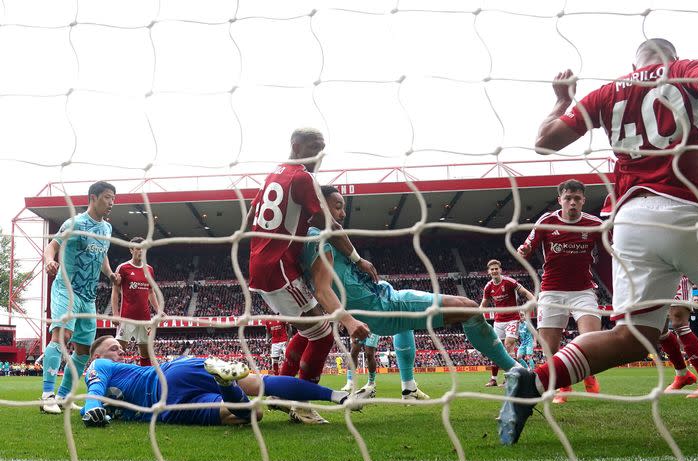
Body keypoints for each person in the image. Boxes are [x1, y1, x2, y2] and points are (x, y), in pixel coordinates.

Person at [499, 38, 698, 443]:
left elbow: (545, 141)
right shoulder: (683, 69)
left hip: (629, 221)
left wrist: (561, 100)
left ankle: (534, 382)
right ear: (671, 56)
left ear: (633, 62)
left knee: (634, 337)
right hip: (686, 211)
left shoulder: (608, 91)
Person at [302, 186, 517, 400]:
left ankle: (408, 388)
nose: (342, 213)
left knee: (407, 325)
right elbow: (322, 289)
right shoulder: (317, 241)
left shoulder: (317, 236)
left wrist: (358, 261)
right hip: (385, 305)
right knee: (469, 308)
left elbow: (336, 230)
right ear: (319, 205)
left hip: (381, 300)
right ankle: (517, 371)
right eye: (338, 207)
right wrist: (348, 321)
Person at [246, 128, 375, 423]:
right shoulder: (302, 177)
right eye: (314, 146)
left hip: (264, 262)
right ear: (296, 145)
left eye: (323, 147)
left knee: (310, 332)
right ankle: (301, 403)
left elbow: (253, 210)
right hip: (277, 266)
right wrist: (357, 259)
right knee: (323, 334)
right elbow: (326, 223)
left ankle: (280, 393)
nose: (319, 153)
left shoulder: (273, 175)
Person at [80, 335, 355, 427]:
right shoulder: (100, 365)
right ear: (96, 354)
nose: (120, 352)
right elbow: (94, 391)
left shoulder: (102, 368)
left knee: (261, 387)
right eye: (114, 348)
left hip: (170, 388)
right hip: (172, 402)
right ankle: (226, 385)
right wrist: (91, 409)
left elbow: (94, 393)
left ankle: (337, 397)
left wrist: (91, 409)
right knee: (254, 410)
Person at [517, 178, 604, 402]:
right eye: (568, 198)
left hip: (583, 291)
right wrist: (523, 250)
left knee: (591, 338)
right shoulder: (547, 221)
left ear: (583, 200)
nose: (572, 203)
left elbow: (612, 249)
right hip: (551, 291)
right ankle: (563, 386)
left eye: (577, 198)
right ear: (560, 200)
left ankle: (589, 375)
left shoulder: (595, 224)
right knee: (549, 348)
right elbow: (527, 246)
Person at [41, 181, 121, 414]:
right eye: (107, 197)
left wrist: (110, 274)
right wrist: (49, 261)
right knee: (62, 335)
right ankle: (47, 396)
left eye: (114, 199)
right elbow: (52, 247)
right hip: (67, 289)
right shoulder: (74, 223)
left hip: (89, 296)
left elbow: (103, 255)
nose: (111, 203)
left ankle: (64, 397)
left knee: (84, 349)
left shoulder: (106, 229)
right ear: (93, 198)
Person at [660, 277, 698, 397]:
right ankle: (682, 375)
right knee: (659, 328)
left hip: (674, 269)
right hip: (654, 274)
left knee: (679, 322)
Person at [480, 260, 534, 387]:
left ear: (500, 270)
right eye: (492, 269)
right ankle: (493, 379)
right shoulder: (488, 287)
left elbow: (525, 292)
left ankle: (512, 377)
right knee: (496, 349)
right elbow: (484, 303)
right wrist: (477, 315)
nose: (494, 271)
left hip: (512, 318)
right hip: (498, 321)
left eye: (496, 269)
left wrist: (534, 301)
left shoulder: (509, 282)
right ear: (489, 272)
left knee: (508, 345)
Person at [112, 237, 160, 367]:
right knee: (118, 349)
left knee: (146, 351)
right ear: (131, 250)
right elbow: (115, 291)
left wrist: (158, 310)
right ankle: (115, 378)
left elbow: (151, 292)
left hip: (145, 318)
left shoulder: (149, 269)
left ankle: (145, 380)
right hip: (127, 316)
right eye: (138, 248)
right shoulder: (123, 268)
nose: (141, 251)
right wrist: (115, 314)